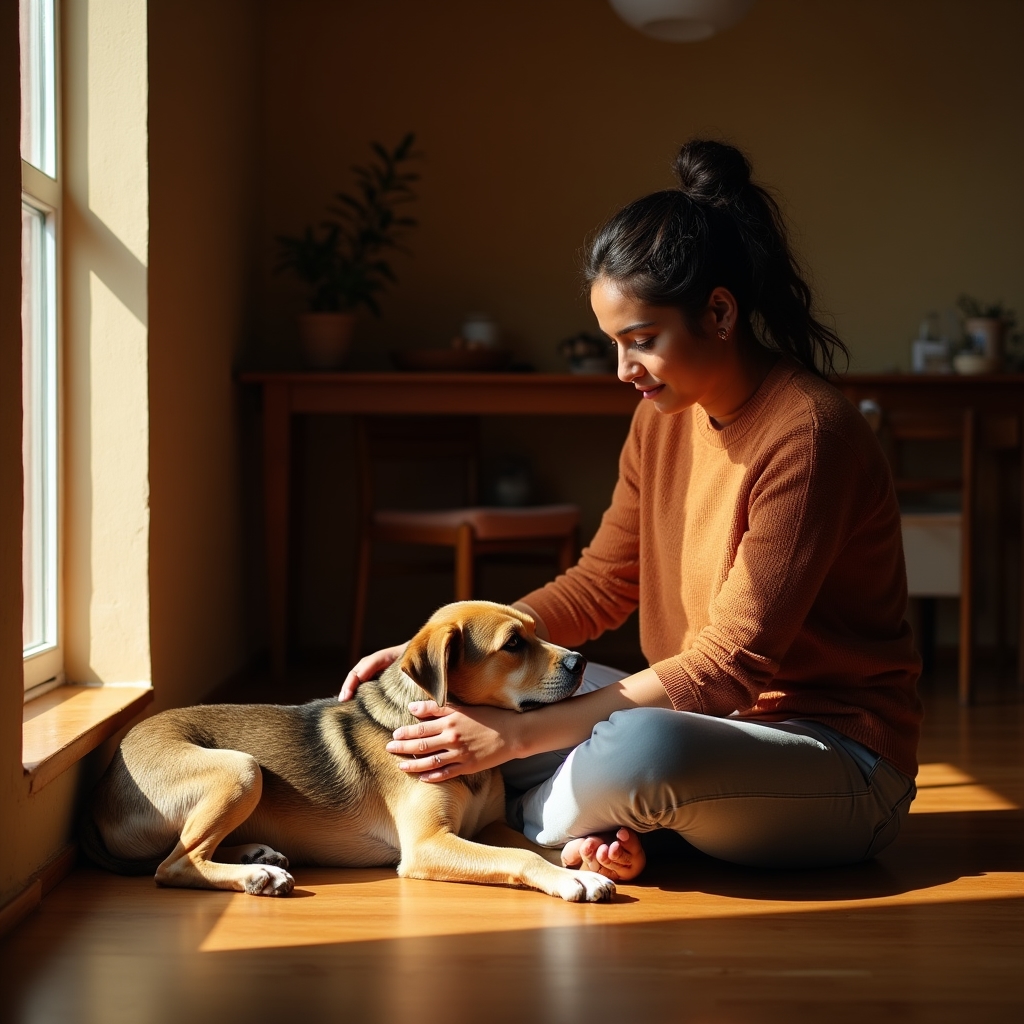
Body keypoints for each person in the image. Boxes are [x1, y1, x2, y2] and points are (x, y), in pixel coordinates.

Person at [339, 139, 922, 883]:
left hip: (833, 757)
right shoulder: (661, 417)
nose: (623, 370)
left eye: (641, 341)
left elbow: (727, 667)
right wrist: (455, 654)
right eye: (613, 344)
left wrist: (516, 740)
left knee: (642, 750)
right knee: (495, 700)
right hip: (705, 721)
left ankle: (518, 819)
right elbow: (601, 584)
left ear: (718, 312)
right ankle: (583, 818)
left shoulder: (809, 435)